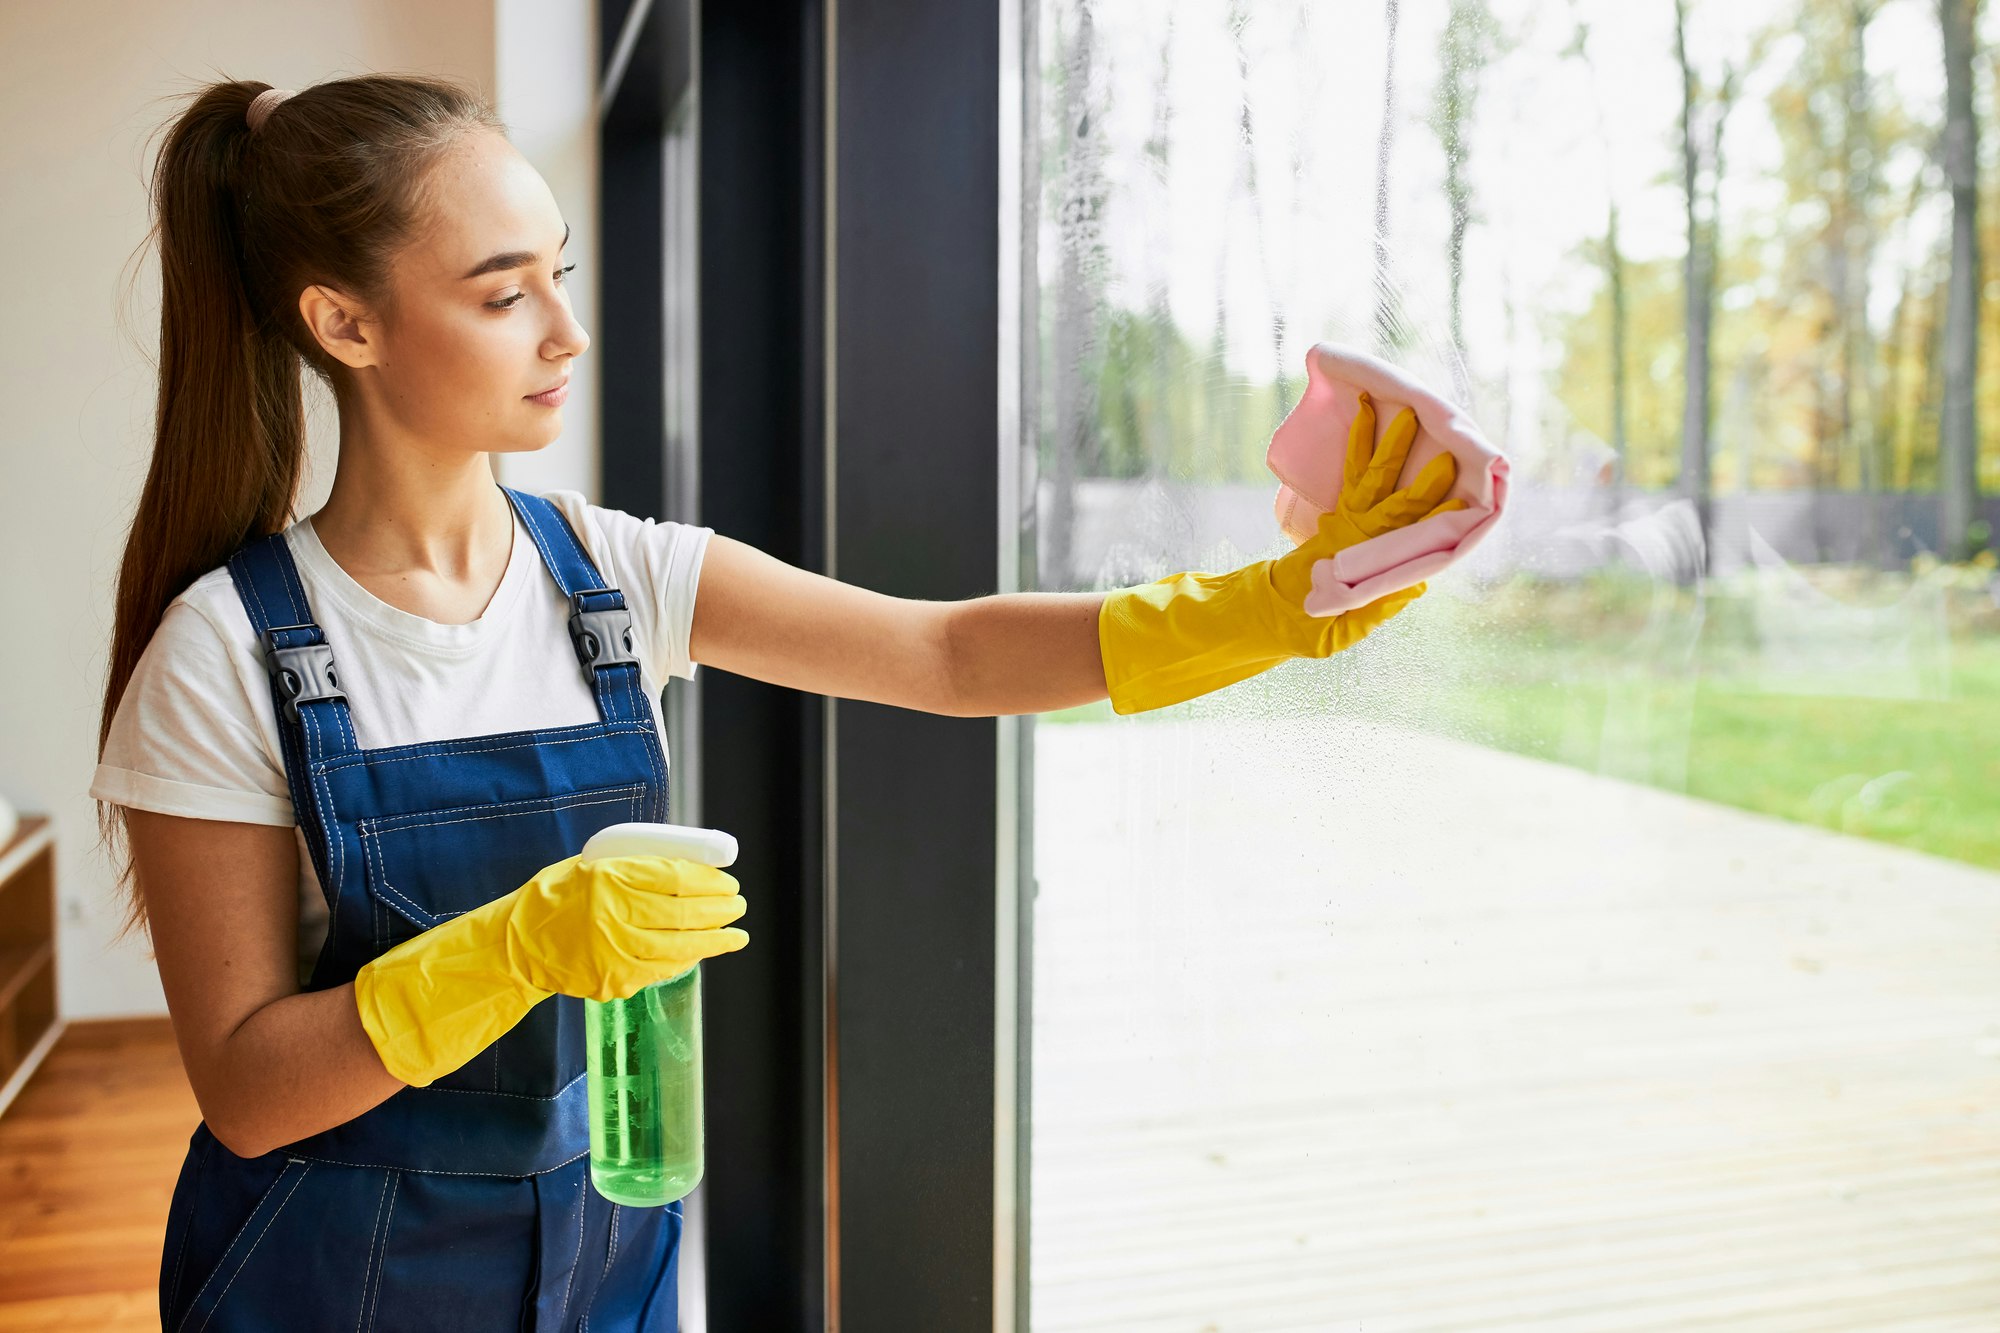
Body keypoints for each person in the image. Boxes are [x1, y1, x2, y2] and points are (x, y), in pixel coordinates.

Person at [90, 74, 1458, 1332]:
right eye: (504, 296)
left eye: (558, 273)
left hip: (605, 1253)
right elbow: (252, 1094)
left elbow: (944, 654)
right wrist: (511, 949)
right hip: (339, 1280)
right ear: (344, 321)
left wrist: (1274, 609)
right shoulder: (225, 655)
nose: (566, 330)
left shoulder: (610, 576)